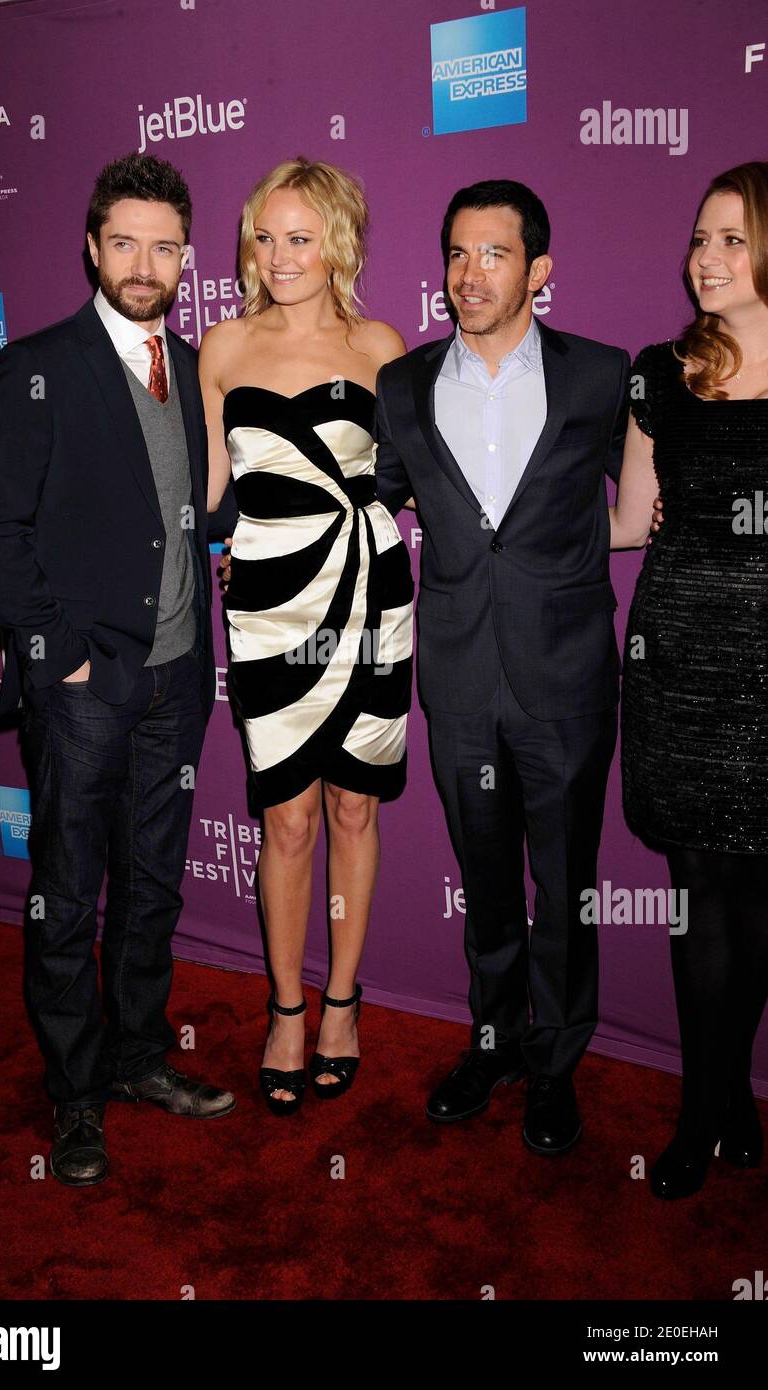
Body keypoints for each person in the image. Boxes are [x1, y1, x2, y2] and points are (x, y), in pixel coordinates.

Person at [0, 152, 238, 1187]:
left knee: (154, 888)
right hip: (85, 688)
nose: (143, 262)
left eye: (164, 245)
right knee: (69, 894)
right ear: (90, 245)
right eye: (124, 241)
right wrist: (62, 658)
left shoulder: (200, 365)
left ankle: (135, 1056)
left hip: (177, 680)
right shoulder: (39, 365)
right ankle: (74, 1094)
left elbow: (213, 512)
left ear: (184, 258)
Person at [374, 180, 630, 1156]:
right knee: (485, 882)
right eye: (455, 254)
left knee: (563, 882)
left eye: (491, 254)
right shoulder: (403, 386)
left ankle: (556, 1064)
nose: (466, 274)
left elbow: (640, 504)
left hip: (564, 678)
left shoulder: (599, 376)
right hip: (459, 681)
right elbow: (374, 506)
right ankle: (493, 1042)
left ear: (539, 271)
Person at [199, 157, 414, 1115]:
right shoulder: (221, 348)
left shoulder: (382, 346)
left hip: (369, 594)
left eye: (298, 236)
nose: (278, 255)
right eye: (263, 235)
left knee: (354, 811)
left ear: (337, 242)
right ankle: (285, 1007)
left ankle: (341, 1003)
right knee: (286, 817)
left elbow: (418, 481)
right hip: (269, 608)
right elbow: (205, 499)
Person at [609, 161, 768, 1200]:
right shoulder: (656, 372)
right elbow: (627, 521)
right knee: (698, 892)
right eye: (699, 238)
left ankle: (728, 1093)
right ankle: (698, 1108)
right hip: (675, 662)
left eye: (729, 239)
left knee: (753, 898)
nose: (702, 258)